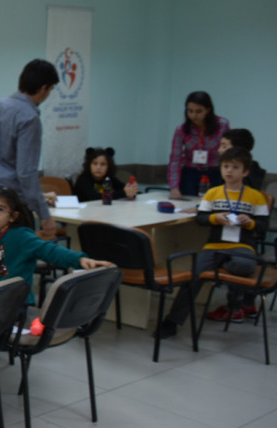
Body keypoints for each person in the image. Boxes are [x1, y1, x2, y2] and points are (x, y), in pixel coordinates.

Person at [0, 186, 112, 401]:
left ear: (13, 215)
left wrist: (80, 260)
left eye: (0, 209)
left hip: (13, 307)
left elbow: (51, 251)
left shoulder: (22, 236)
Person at [157, 147, 269, 336]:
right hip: (214, 246)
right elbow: (201, 218)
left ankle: (234, 306)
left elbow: (263, 225)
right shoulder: (213, 193)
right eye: (225, 166)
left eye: (235, 167)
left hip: (242, 246)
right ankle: (172, 321)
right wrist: (214, 218)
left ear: (245, 172)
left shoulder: (255, 196)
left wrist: (250, 222)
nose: (229, 171)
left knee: (243, 266)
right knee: (194, 277)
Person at [0, 59, 60, 237]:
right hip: (12, 210)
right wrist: (44, 215)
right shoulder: (29, 118)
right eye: (50, 91)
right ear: (43, 89)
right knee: (14, 263)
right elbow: (26, 173)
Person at [168, 91, 230, 198]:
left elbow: (229, 152)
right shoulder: (181, 130)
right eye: (190, 111)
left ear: (208, 110)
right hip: (190, 174)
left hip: (215, 173)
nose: (193, 115)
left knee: (212, 206)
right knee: (188, 206)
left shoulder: (222, 125)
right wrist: (174, 187)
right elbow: (175, 159)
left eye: (198, 111)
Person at [73, 147, 139, 202]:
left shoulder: (108, 178)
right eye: (95, 164)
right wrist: (124, 193)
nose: (98, 167)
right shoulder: (83, 179)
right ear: (89, 165)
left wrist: (131, 190)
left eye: (103, 164)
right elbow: (95, 197)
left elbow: (124, 189)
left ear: (109, 167)